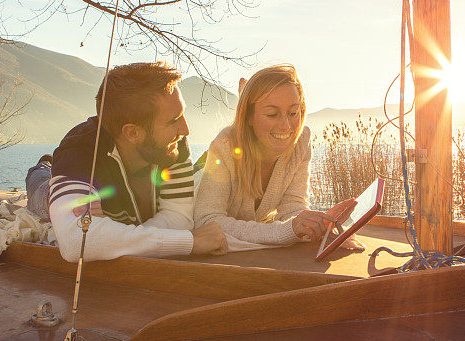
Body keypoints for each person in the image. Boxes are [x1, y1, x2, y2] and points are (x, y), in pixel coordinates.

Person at [25, 62, 227, 262]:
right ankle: (44, 167)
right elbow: (78, 241)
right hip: (49, 191)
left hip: (105, 198)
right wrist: (189, 242)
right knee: (41, 187)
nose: (185, 130)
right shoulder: (80, 151)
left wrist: (113, 234)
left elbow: (179, 218)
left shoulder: (173, 144)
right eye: (173, 120)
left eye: (182, 114)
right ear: (132, 132)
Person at [194, 64, 356, 246]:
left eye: (293, 112)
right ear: (247, 116)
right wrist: (285, 230)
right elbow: (207, 221)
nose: (286, 126)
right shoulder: (224, 146)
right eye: (272, 114)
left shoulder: (301, 141)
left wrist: (313, 227)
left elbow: (292, 207)